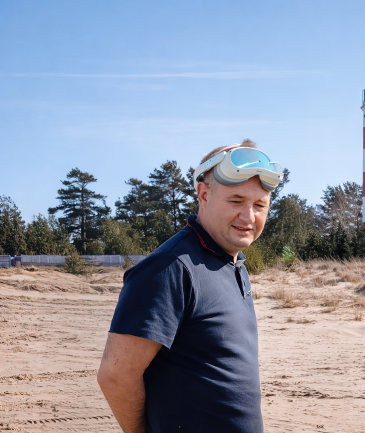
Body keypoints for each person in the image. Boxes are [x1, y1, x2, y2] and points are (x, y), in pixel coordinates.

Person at [97, 139, 284, 433]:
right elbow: (115, 376)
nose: (249, 216)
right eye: (236, 201)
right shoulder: (170, 268)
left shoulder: (233, 262)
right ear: (204, 195)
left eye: (259, 205)